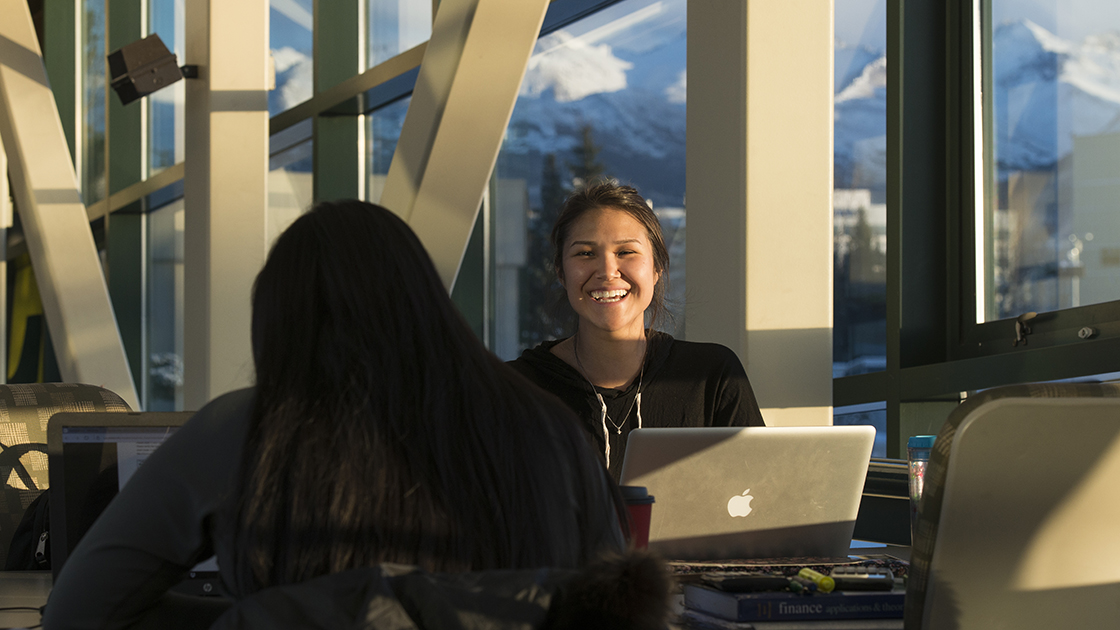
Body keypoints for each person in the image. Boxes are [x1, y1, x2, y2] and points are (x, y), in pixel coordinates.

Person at [43, 200, 627, 629]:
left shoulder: (246, 430)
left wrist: (260, 620)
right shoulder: (551, 428)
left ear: (281, 317)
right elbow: (610, 607)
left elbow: (78, 614)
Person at [510, 181, 765, 480]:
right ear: (561, 273)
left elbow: (761, 496)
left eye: (626, 252)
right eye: (585, 254)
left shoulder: (711, 377)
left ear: (656, 268)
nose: (607, 271)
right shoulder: (512, 389)